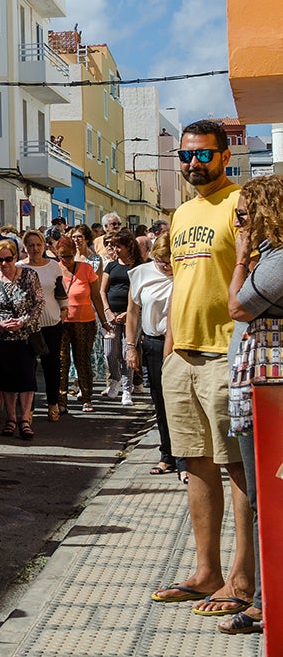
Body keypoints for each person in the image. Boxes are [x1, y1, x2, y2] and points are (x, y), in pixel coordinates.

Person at [150, 120, 254, 615]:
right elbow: (182, 283)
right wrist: (171, 348)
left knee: (238, 468)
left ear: (225, 156)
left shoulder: (241, 204)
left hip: (226, 356)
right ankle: (206, 572)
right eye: (186, 155)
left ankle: (242, 579)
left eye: (204, 154)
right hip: (183, 357)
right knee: (195, 464)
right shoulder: (182, 212)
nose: (193, 163)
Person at [219, 174, 281, 636]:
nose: (238, 223)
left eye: (243, 214)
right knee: (264, 499)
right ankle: (265, 601)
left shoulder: (278, 260)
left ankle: (265, 604)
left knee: (269, 498)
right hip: (259, 386)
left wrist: (240, 259)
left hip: (272, 389)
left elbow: (238, 308)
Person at [125, 233, 179, 475]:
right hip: (154, 343)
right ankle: (167, 454)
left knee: (180, 403)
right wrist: (130, 347)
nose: (166, 267)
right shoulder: (141, 274)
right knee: (161, 402)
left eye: (170, 261)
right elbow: (132, 312)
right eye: (161, 261)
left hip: (181, 343)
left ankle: (186, 460)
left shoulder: (184, 272)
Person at [0, 240, 45, 440]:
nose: (4, 264)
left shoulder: (29, 275)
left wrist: (23, 321)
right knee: (7, 379)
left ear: (15, 257)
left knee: (27, 378)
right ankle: (10, 418)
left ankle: (25, 419)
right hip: (2, 337)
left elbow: (39, 302)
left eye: (8, 259)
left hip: (26, 336)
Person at [18, 229, 65, 422]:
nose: (35, 248)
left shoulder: (53, 266)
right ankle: (28, 409)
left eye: (38, 244)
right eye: (31, 245)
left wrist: (64, 310)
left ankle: (53, 403)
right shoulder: (19, 267)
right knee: (27, 368)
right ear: (25, 247)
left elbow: (60, 292)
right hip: (28, 325)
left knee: (52, 366)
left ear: (44, 245)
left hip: (51, 323)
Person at [53, 236, 102, 413]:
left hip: (84, 322)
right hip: (61, 322)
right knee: (62, 361)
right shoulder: (55, 269)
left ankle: (87, 397)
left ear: (75, 253)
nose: (66, 260)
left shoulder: (86, 268)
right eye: (62, 256)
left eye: (69, 256)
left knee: (82, 359)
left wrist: (104, 321)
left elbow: (96, 296)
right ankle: (61, 400)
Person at [99, 228, 143, 405]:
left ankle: (126, 389)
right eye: (113, 246)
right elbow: (102, 291)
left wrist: (128, 313)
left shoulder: (138, 266)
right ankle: (115, 378)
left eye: (118, 246)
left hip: (131, 315)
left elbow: (139, 293)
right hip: (112, 314)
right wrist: (108, 311)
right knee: (110, 352)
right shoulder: (111, 266)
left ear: (128, 247)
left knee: (127, 352)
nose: (115, 250)